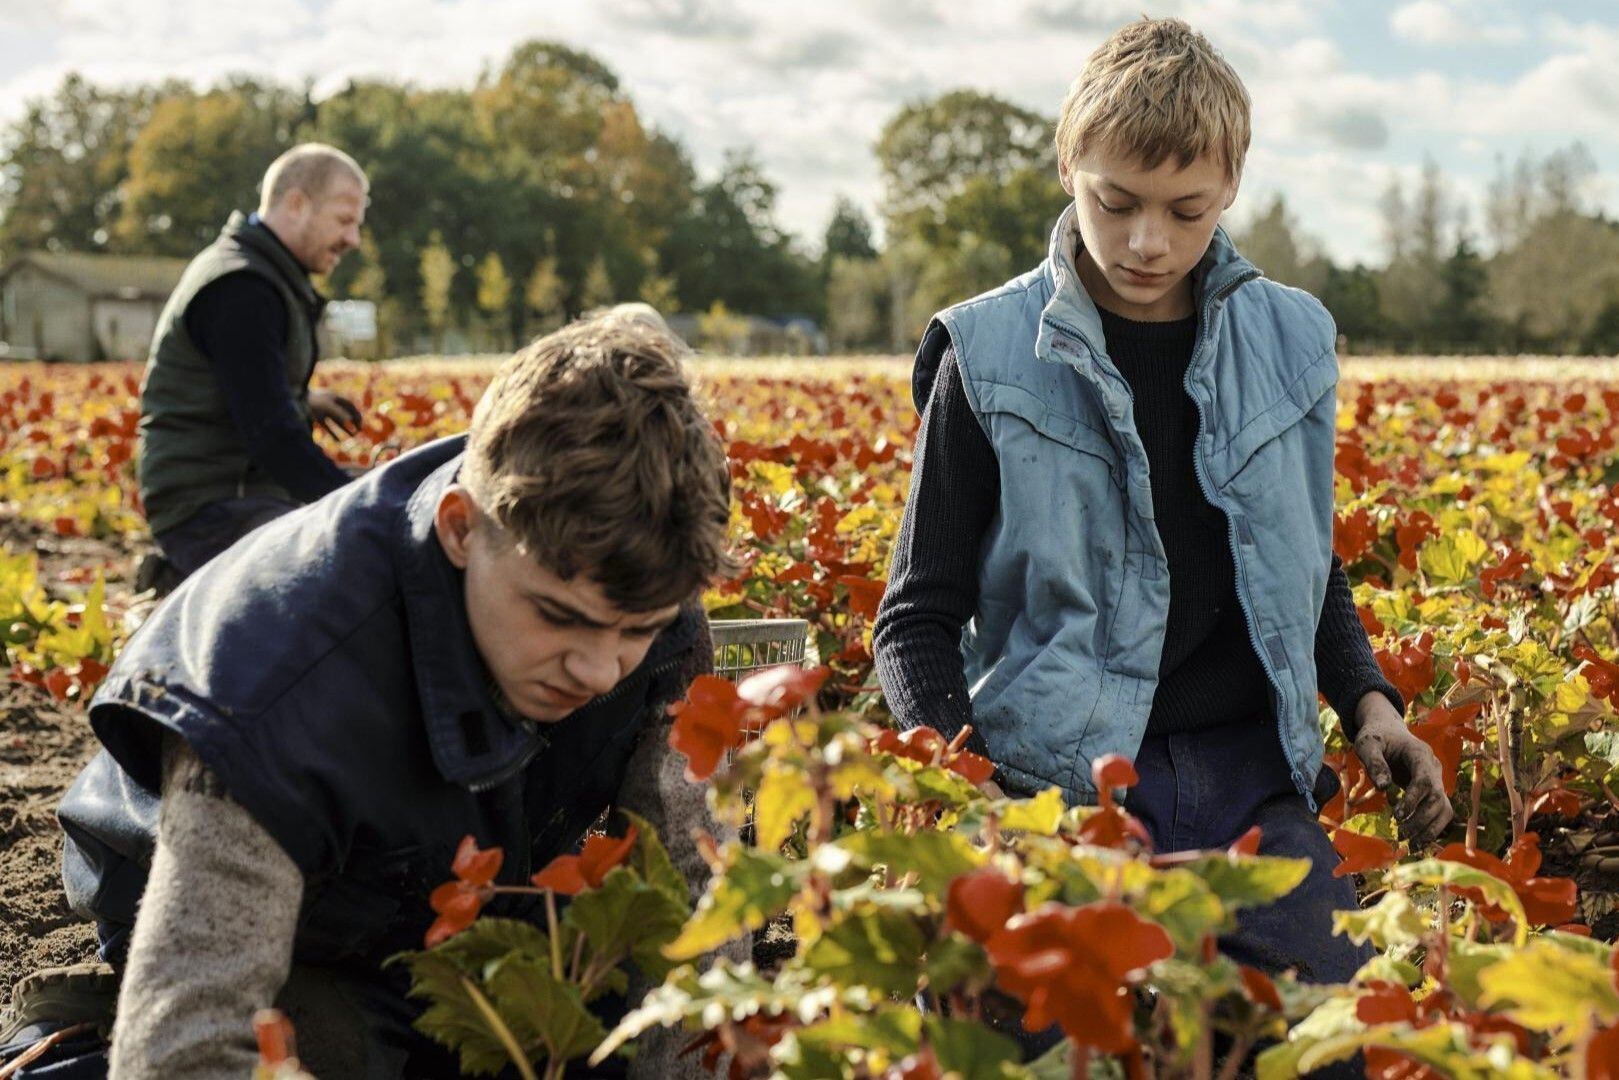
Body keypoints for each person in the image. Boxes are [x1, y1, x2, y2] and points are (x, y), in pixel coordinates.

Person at [873, 15, 1453, 1059]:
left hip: (1249, 778)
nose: (1146, 242)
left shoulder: (1292, 339)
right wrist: (974, 804)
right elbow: (914, 618)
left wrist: (1369, 707)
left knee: (1323, 1043)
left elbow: (1302, 563)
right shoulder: (988, 351)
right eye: (1115, 203)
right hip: (1053, 783)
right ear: (1066, 165)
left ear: (1229, 185)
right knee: (1012, 1049)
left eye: (1184, 211)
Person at [44, 312, 742, 1078]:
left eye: (633, 631)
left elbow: (693, 889)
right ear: (459, 530)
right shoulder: (276, 683)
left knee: (599, 1026)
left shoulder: (644, 583)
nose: (601, 670)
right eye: (557, 617)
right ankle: (69, 1042)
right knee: (355, 1049)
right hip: (256, 911)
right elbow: (184, 1047)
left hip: (453, 888)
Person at [136, 143, 370, 587]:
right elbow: (271, 436)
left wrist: (304, 399)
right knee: (344, 574)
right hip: (211, 503)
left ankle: (193, 580)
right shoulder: (243, 288)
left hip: (238, 487)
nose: (352, 240)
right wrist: (353, 501)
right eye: (344, 221)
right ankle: (184, 587)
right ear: (297, 204)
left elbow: (244, 384)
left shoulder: (264, 273)